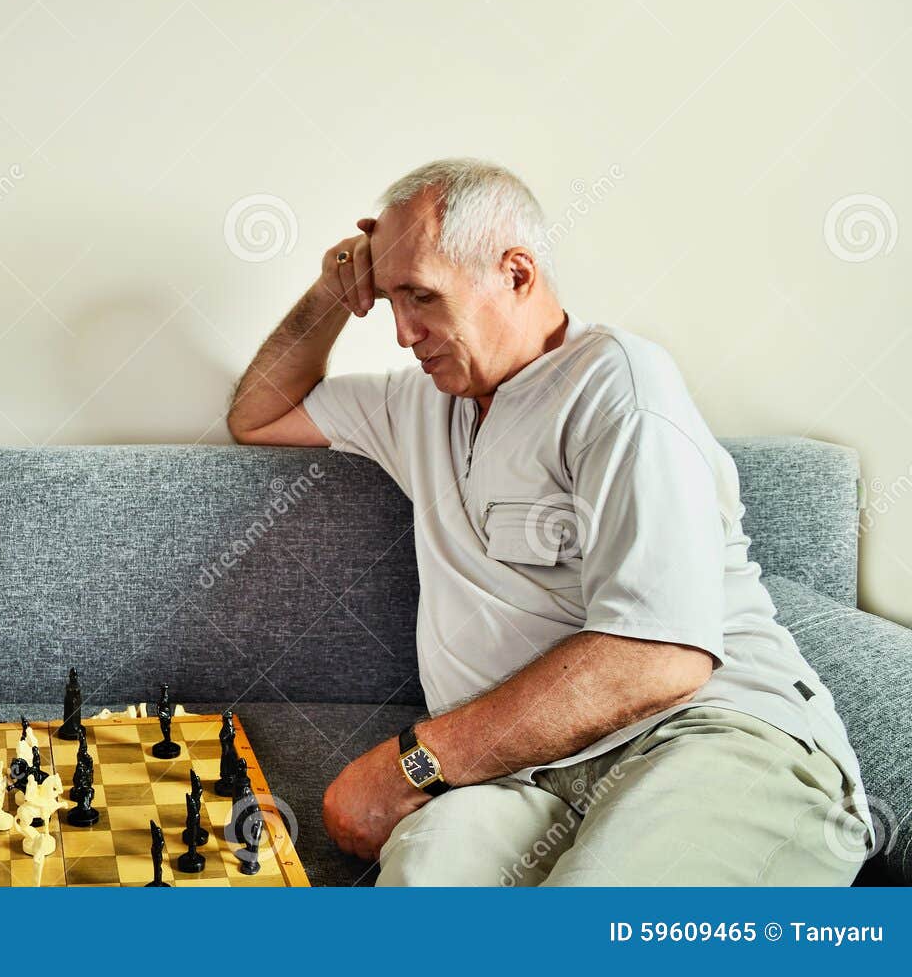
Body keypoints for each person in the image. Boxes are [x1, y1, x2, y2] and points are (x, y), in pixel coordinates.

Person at [227, 157, 877, 885]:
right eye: (390, 300)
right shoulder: (414, 403)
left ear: (516, 273)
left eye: (423, 297)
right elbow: (258, 415)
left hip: (701, 734)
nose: (405, 333)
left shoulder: (619, 385)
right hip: (518, 777)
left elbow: (659, 657)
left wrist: (415, 761)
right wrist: (329, 295)